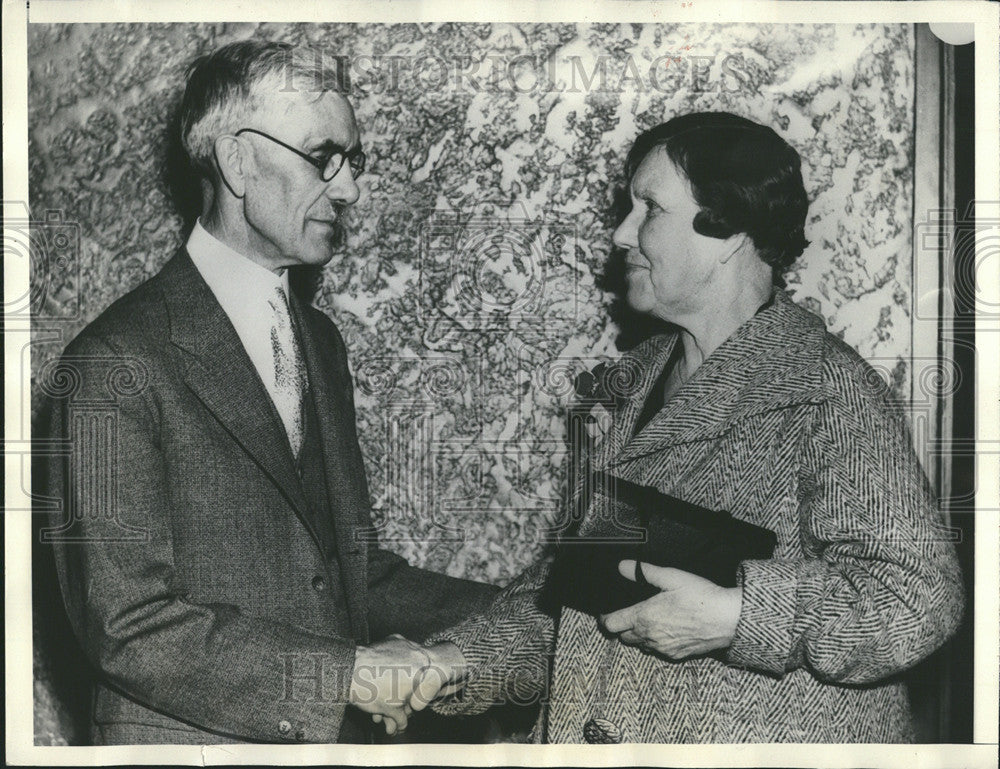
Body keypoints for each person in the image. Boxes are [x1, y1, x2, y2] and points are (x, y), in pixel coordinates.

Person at [410, 112, 965, 742]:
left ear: (726, 229)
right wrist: (445, 665)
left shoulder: (827, 391)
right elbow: (580, 591)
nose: (622, 233)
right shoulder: (629, 386)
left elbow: (917, 599)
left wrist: (740, 616)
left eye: (649, 207)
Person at [42, 39, 497, 745]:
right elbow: (126, 624)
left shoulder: (320, 342)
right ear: (237, 160)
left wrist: (538, 614)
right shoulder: (112, 361)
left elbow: (353, 575)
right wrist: (346, 676)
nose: (347, 190)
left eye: (353, 161)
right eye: (322, 157)